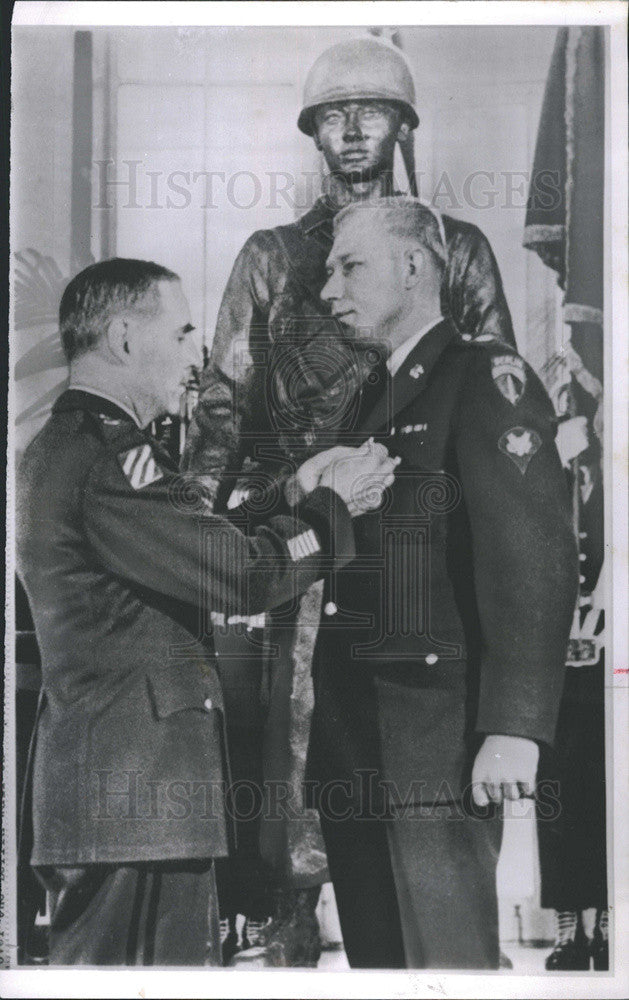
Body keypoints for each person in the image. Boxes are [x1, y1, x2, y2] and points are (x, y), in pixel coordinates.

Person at [182, 34, 516, 960]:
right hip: (300, 545)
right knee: (298, 786)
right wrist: (196, 544)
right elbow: (223, 407)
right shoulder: (272, 256)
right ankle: (290, 941)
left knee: (424, 808)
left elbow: (492, 391)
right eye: (333, 114)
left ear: (404, 124)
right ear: (312, 133)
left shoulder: (456, 248)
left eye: (372, 110)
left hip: (419, 555)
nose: (353, 128)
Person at [15, 257, 397, 966]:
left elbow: (188, 540)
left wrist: (290, 494)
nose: (198, 352)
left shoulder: (76, 450)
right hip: (136, 805)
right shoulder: (112, 460)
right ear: (126, 339)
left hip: (127, 800)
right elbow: (242, 575)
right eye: (184, 329)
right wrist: (333, 509)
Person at [304, 198, 579, 969]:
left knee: (445, 963)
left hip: (438, 745)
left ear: (414, 267)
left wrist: (514, 728)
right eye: (329, 270)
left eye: (348, 266)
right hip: (355, 739)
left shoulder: (483, 379)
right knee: (380, 966)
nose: (329, 290)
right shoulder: (367, 400)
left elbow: (531, 559)